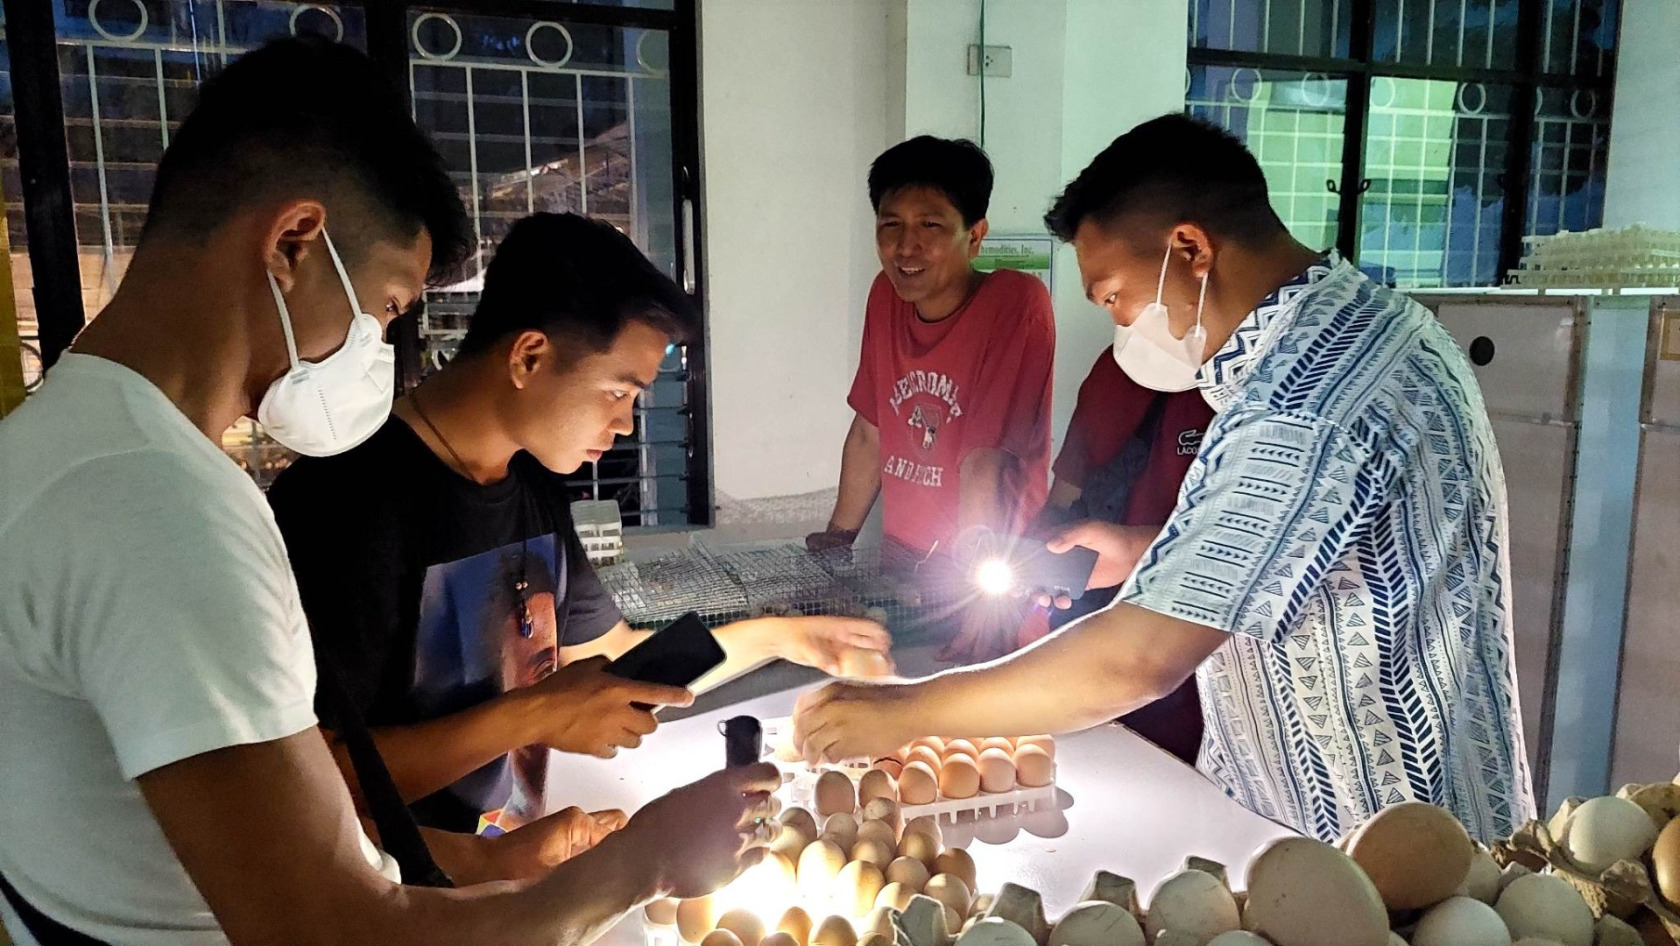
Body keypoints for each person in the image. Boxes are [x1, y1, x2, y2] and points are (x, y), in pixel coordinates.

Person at [0, 38, 776, 946]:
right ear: (292, 242)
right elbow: (336, 929)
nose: (377, 348)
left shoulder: (60, 442)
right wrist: (645, 862)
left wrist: (489, 866)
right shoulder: (158, 510)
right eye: (386, 309)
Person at [792, 114, 1534, 845]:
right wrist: (1149, 550)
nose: (1121, 326)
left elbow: (1137, 660)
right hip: (1351, 808)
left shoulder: (1300, 397)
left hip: (1382, 832)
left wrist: (905, 712)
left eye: (1114, 297)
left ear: (1190, 250)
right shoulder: (1368, 329)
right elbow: (1334, 550)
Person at [268, 212, 892, 870]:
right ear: (529, 357)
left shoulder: (530, 483)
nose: (626, 423)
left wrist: (781, 637)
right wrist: (534, 716)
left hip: (508, 869)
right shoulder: (344, 503)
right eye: (619, 391)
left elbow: (612, 660)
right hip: (399, 896)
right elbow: (311, 780)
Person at [805, 136, 1055, 662]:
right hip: (903, 569)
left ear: (975, 235)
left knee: (981, 696)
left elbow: (984, 461)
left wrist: (981, 602)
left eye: (931, 226)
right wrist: (837, 542)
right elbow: (870, 430)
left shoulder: (1015, 303)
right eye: (890, 225)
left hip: (987, 574)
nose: (905, 247)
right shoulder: (885, 296)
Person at [1022, 349, 1215, 764]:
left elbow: (1251, 544)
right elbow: (1064, 499)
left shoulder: (1250, 388)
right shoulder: (1115, 370)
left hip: (1201, 659)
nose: (1119, 318)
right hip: (1099, 622)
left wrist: (1136, 551)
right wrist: (1039, 556)